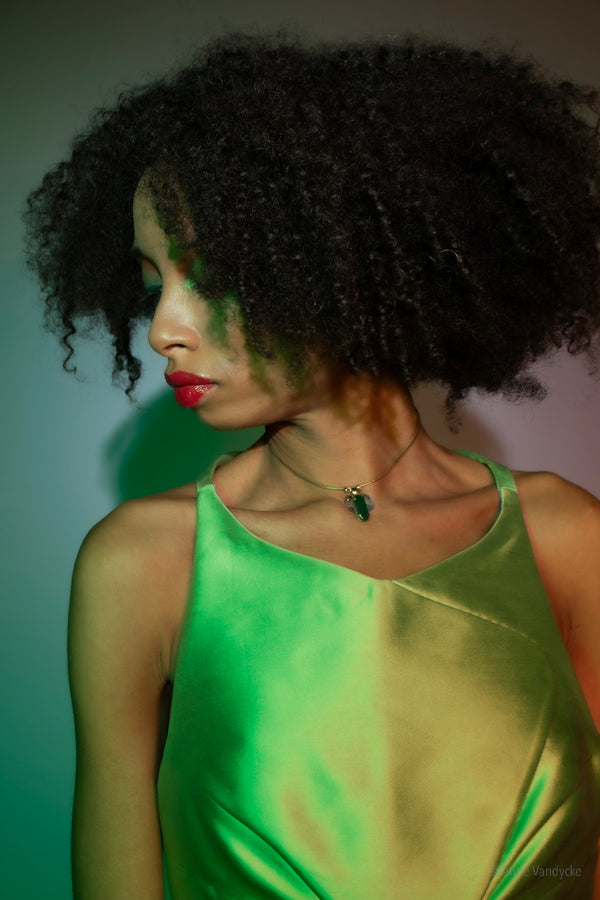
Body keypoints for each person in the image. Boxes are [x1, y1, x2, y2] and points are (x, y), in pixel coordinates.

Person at [25, 33, 600, 900]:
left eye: (214, 276)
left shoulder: (566, 538)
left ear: (350, 266)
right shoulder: (145, 563)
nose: (162, 329)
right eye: (153, 285)